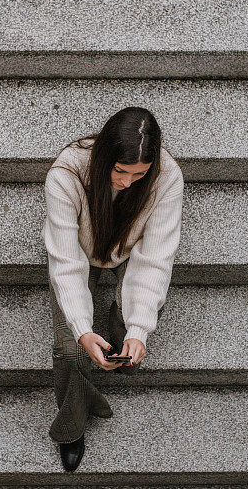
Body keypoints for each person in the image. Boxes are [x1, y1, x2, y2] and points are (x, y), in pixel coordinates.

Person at [42, 106, 184, 472]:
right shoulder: (67, 173)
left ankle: (122, 349)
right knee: (70, 351)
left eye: (139, 174)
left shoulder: (167, 178)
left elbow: (154, 257)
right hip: (79, 251)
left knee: (134, 324)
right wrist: (83, 329)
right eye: (120, 171)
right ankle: (72, 428)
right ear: (105, 156)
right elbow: (66, 260)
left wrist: (138, 329)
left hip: (128, 251)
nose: (127, 182)